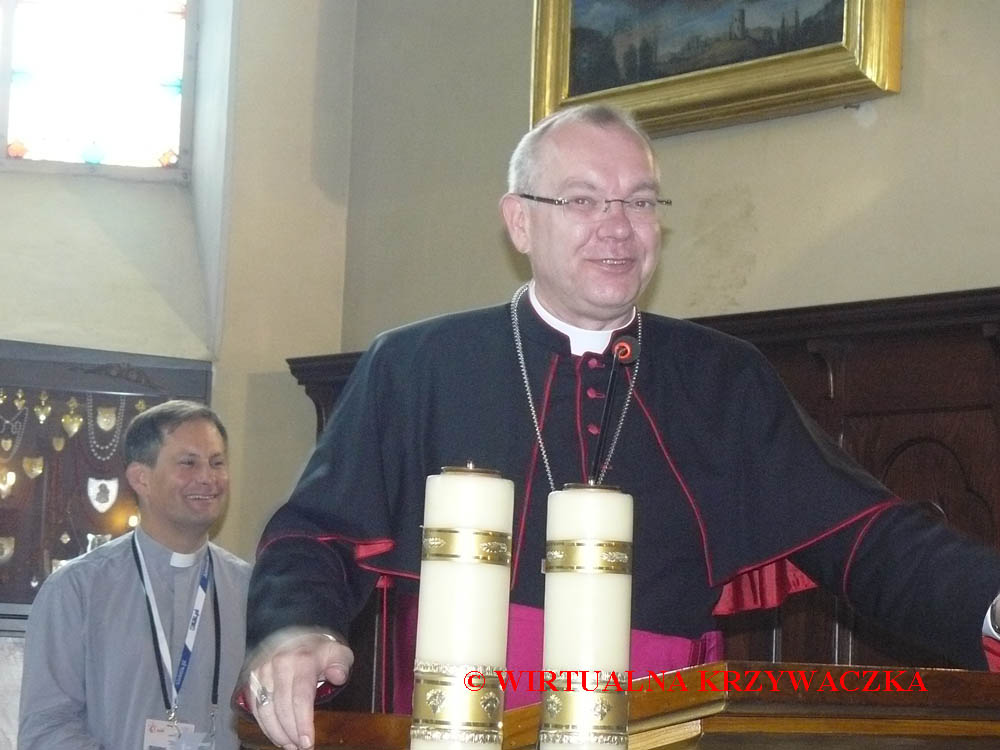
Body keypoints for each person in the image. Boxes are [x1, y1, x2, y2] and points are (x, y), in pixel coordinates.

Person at [240, 105, 1000, 750]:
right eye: (582, 200)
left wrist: (989, 604)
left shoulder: (721, 378)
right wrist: (295, 629)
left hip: (662, 730)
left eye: (640, 203)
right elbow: (316, 533)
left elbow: (864, 537)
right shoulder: (419, 366)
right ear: (520, 221)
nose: (618, 228)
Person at [19, 400, 251, 750]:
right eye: (188, 463)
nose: (208, 477)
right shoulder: (77, 590)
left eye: (217, 463)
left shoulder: (249, 589)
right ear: (141, 478)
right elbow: (46, 729)